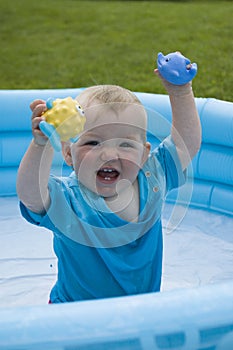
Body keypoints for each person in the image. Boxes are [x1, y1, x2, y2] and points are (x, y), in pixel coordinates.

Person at [16, 67, 201, 303]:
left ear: (144, 155)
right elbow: (29, 194)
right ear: (68, 154)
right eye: (92, 142)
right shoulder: (68, 200)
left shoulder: (153, 178)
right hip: (72, 315)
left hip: (144, 311)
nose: (109, 154)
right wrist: (41, 144)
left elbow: (185, 144)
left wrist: (181, 92)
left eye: (125, 144)